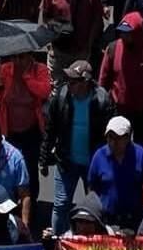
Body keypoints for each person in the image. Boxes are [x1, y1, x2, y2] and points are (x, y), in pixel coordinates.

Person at [42, 61, 115, 234]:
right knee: (61, 204)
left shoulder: (103, 100)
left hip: (93, 165)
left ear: (86, 81)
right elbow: (50, 130)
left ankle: (95, 244)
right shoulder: (61, 97)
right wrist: (44, 158)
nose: (69, 84)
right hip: (66, 162)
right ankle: (57, 245)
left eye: (74, 81)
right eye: (68, 80)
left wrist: (108, 163)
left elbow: (110, 137)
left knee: (95, 208)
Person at [0, 51, 51, 197]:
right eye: (13, 56)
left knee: (30, 170)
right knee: (8, 169)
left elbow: (45, 92)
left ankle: (31, 203)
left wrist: (27, 78)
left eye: (21, 57)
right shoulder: (5, 69)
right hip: (9, 132)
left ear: (29, 56)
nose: (16, 60)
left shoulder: (39, 69)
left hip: (31, 131)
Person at [99, 13, 143, 149]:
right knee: (117, 148)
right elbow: (103, 80)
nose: (124, 36)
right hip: (119, 110)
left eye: (128, 33)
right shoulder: (113, 49)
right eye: (122, 33)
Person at [87, 116, 143, 233]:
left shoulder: (141, 155)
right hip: (107, 220)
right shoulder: (99, 156)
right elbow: (91, 187)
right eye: (110, 137)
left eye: (118, 138)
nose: (113, 142)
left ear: (128, 138)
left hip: (134, 220)